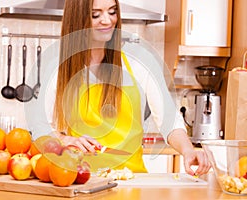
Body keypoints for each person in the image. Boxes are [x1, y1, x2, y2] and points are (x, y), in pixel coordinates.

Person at [28, 0, 211, 175]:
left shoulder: (139, 61)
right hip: (82, 180)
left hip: (131, 179)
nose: (107, 20)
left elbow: (169, 119)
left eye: (112, 11)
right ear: (77, 19)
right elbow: (42, 128)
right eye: (95, 14)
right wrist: (67, 140)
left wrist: (188, 150)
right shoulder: (60, 69)